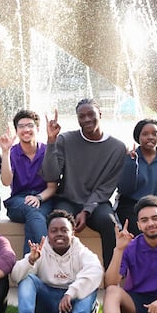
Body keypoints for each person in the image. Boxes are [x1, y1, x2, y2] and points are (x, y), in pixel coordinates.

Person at [41, 99, 126, 269]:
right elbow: (51, 175)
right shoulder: (65, 139)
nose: (86, 119)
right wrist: (51, 141)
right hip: (68, 199)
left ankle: (111, 278)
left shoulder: (117, 148)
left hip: (98, 202)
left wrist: (87, 211)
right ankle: (58, 275)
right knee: (59, 225)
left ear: (100, 114)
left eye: (91, 114)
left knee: (110, 224)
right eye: (82, 116)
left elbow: (107, 188)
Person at [9, 209, 103, 313]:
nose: (59, 234)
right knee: (27, 278)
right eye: (54, 231)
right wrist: (30, 260)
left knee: (90, 283)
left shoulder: (82, 252)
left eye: (64, 230)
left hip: (72, 302)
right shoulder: (40, 251)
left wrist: (71, 293)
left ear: (73, 233)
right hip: (46, 301)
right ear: (48, 234)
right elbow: (15, 277)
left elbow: (96, 271)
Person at [0, 109, 57, 254]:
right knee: (33, 212)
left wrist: (38, 197)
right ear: (16, 131)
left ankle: (28, 265)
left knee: (34, 219)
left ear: (37, 128)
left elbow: (52, 187)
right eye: (21, 126)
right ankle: (51, 254)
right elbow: (6, 181)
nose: (26, 130)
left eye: (30, 125)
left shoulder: (46, 151)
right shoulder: (12, 153)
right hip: (18, 201)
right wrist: (5, 152)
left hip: (44, 199)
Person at [115, 118, 157, 236]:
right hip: (130, 206)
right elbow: (124, 189)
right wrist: (131, 164)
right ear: (138, 137)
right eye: (145, 134)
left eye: (154, 133)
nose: (150, 137)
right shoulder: (129, 157)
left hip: (155, 205)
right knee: (141, 233)